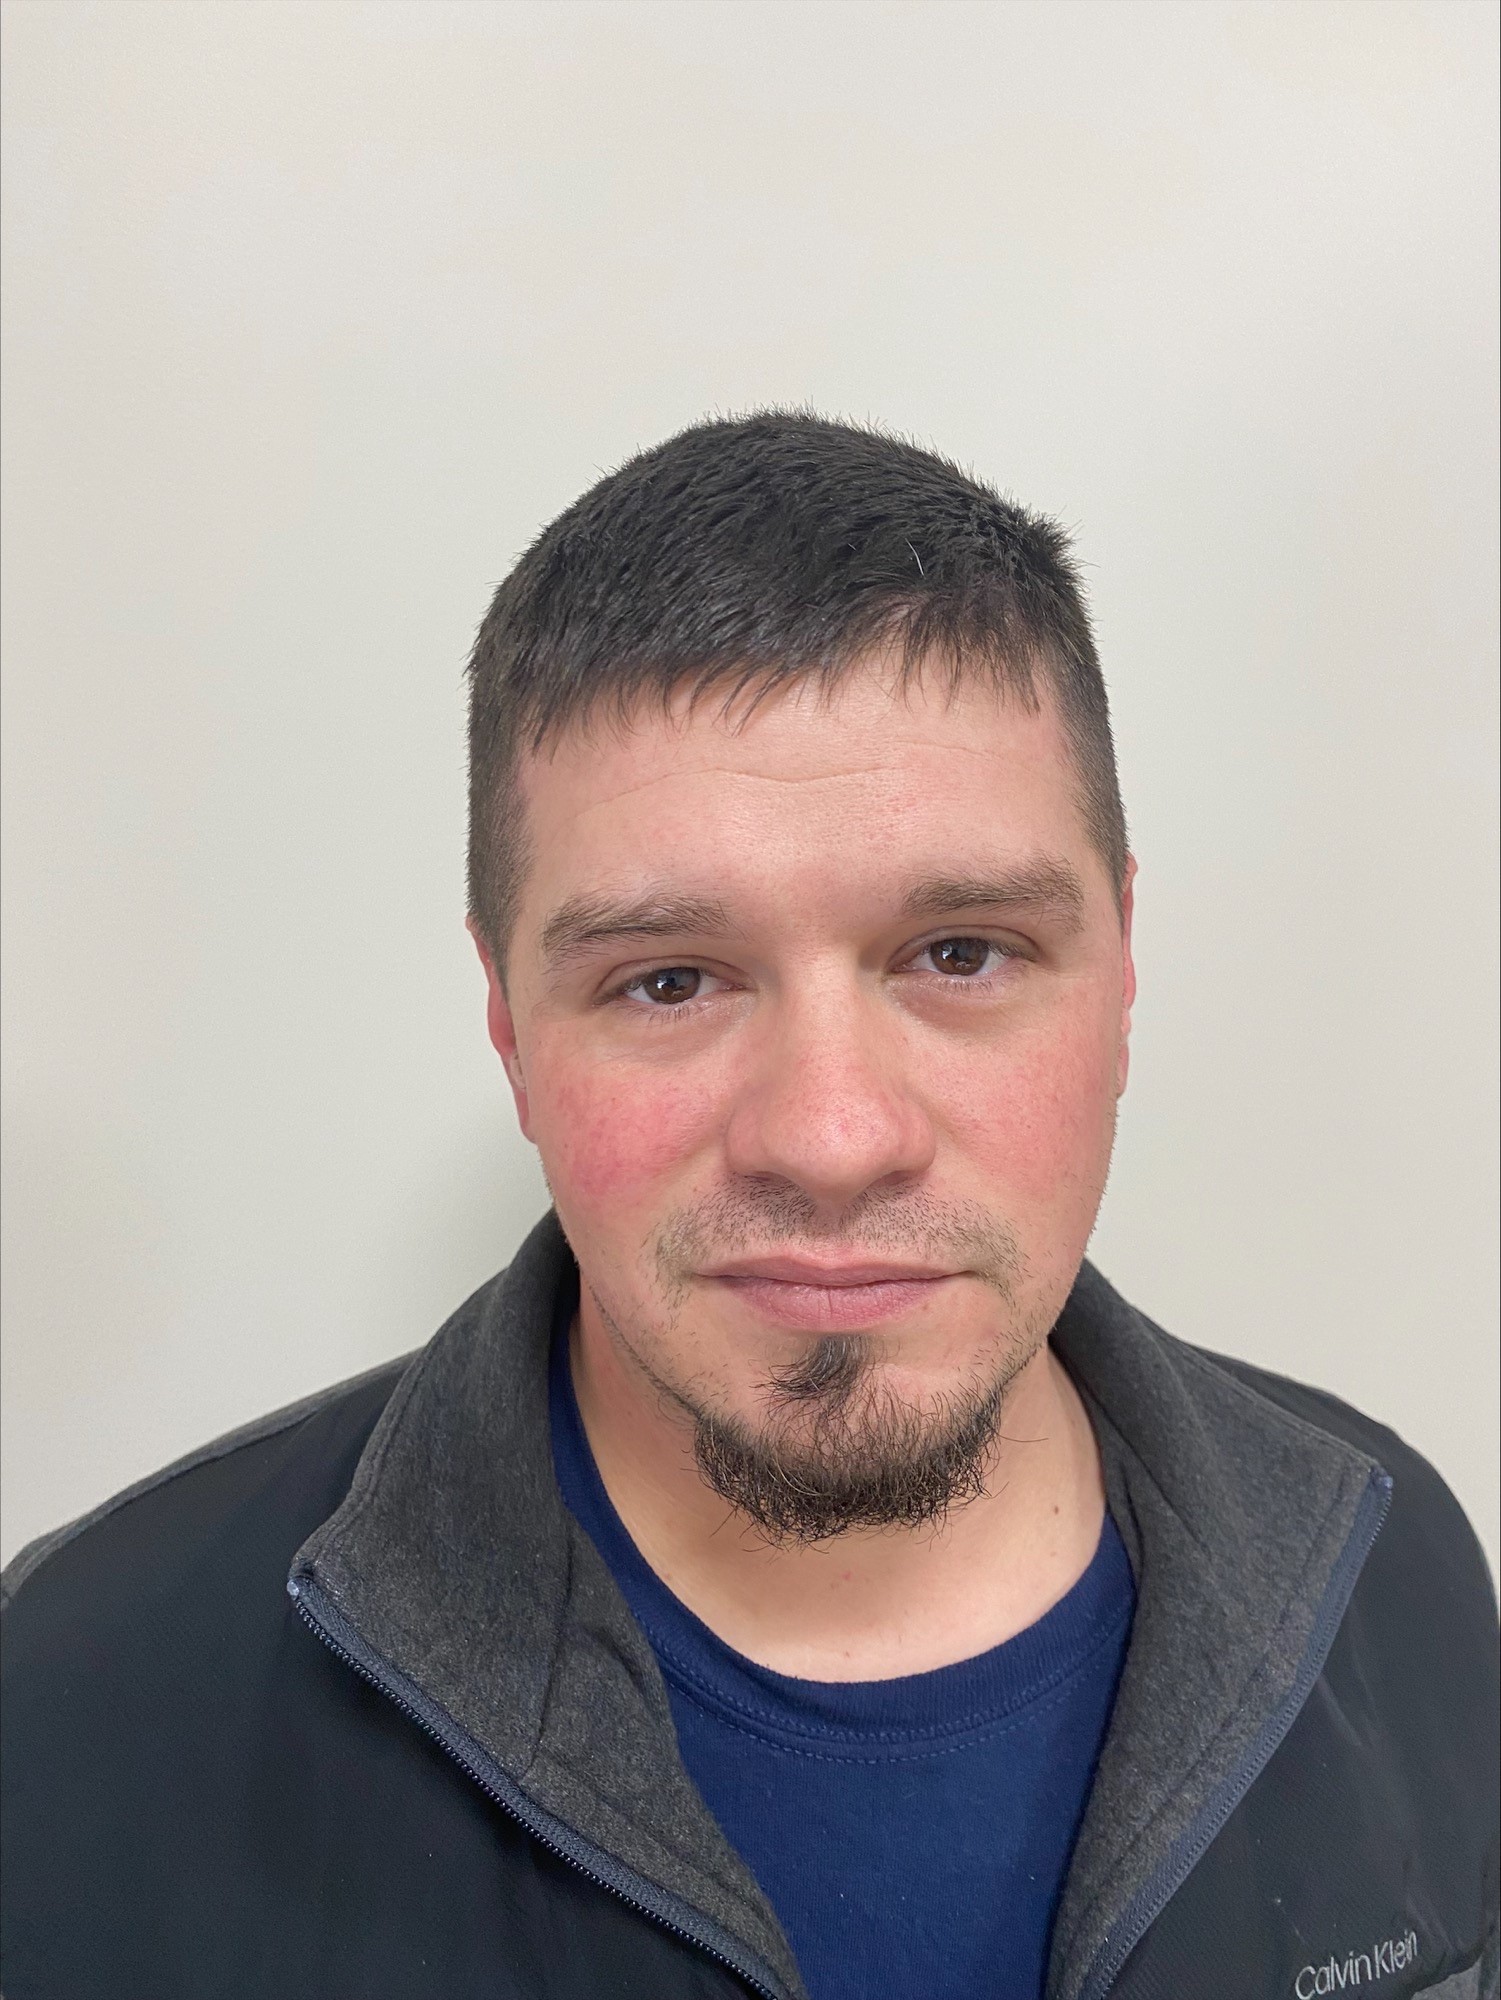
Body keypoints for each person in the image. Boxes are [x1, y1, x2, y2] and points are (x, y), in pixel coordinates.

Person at [2, 414, 1495, 2000]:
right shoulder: (87, 1696)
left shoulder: (1389, 1572)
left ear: (1120, 970)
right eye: (667, 980)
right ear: (508, 1028)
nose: (832, 1139)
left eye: (961, 954)